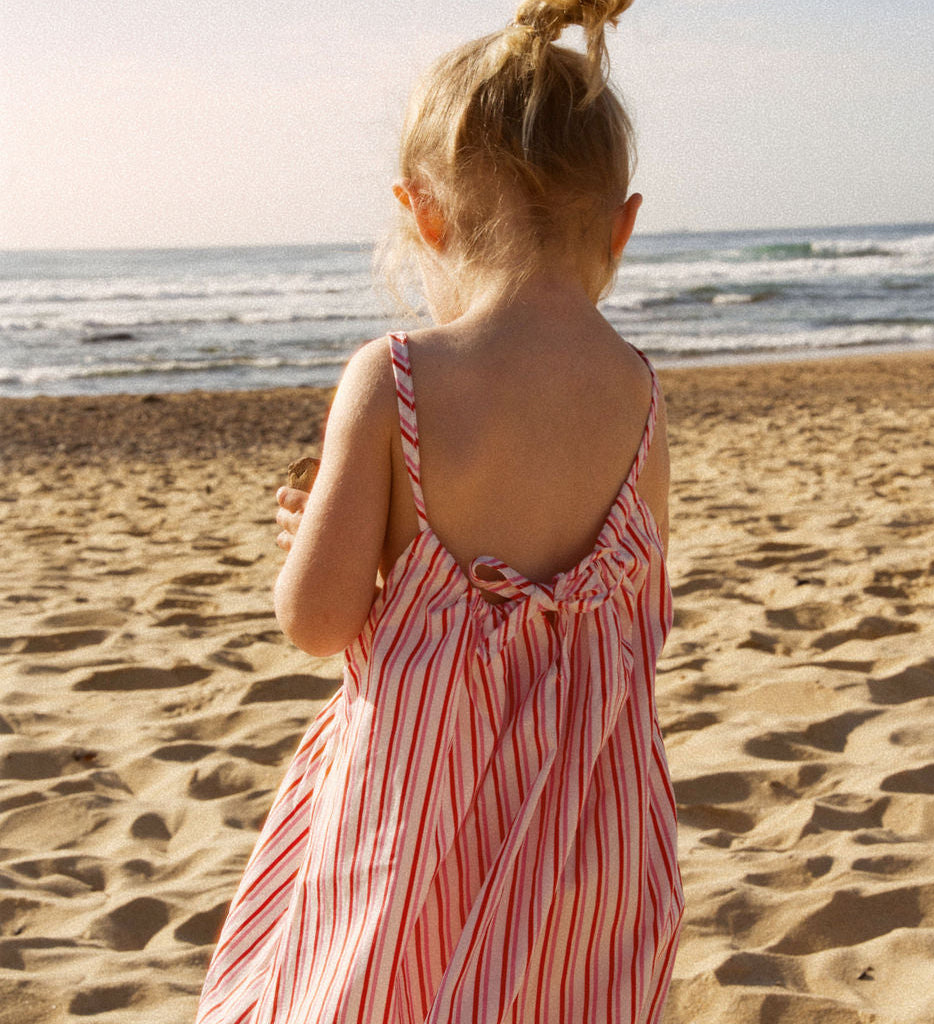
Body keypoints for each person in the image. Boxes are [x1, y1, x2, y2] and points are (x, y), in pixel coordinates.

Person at [195, 1, 683, 1020]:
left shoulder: (397, 378)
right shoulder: (638, 392)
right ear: (622, 223)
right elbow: (643, 613)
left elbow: (316, 621)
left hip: (414, 817)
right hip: (588, 831)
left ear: (421, 212)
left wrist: (334, 550)